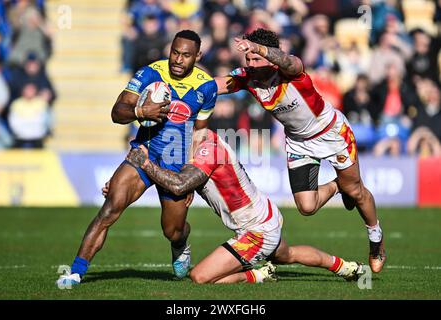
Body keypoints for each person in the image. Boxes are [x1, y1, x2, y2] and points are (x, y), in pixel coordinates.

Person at [215, 28, 386, 273]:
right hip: (298, 142)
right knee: (307, 207)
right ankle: (340, 184)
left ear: (270, 56)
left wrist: (258, 48)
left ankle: (376, 240)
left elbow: (288, 61)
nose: (251, 63)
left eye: (256, 58)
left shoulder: (290, 71)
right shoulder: (247, 78)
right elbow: (215, 86)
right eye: (248, 59)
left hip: (331, 133)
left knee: (357, 191)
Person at [56, 30, 218, 286]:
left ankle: (181, 243)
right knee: (109, 209)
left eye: (186, 55)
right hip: (142, 155)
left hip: (175, 165)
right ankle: (76, 273)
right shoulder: (149, 73)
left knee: (172, 230)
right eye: (175, 52)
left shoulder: (207, 86)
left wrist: (191, 174)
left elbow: (199, 133)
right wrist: (140, 110)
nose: (178, 59)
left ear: (198, 56)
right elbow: (117, 112)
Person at [116, 129, 366, 284]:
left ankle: (258, 275)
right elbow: (181, 180)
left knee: (200, 277)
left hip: (256, 231)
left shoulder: (207, 151)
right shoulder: (201, 143)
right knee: (287, 255)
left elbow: (180, 186)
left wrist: (147, 165)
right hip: (265, 215)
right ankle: (345, 267)